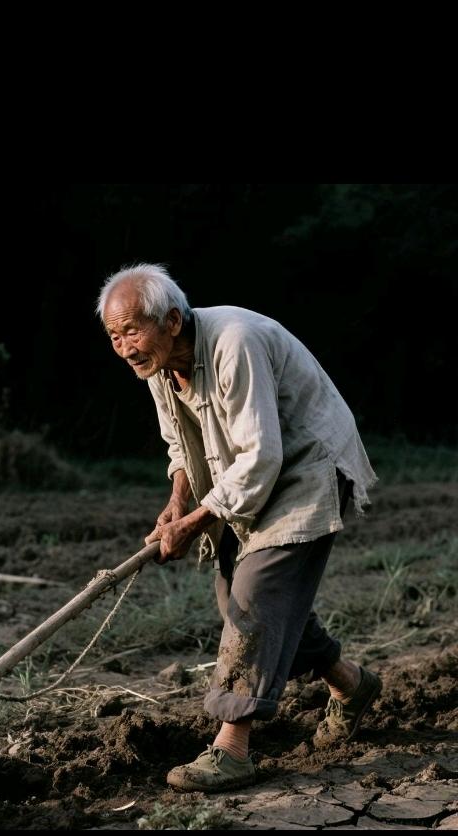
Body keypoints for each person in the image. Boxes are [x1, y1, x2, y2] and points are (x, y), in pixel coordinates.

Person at [96, 263, 382, 792]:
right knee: (236, 598)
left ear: (173, 320)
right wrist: (176, 503)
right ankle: (350, 686)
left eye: (132, 331)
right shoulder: (158, 366)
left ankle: (232, 747)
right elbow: (179, 446)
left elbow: (262, 456)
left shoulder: (235, 342)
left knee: (256, 599)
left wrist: (198, 520)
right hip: (250, 472)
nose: (125, 347)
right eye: (114, 336)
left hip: (306, 465)